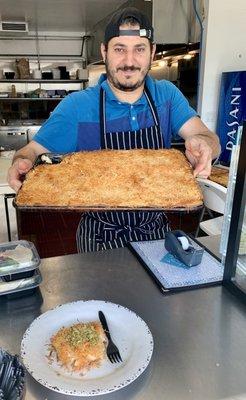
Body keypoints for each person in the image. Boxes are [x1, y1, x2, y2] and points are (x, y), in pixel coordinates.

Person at [8, 7, 221, 252]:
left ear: (152, 52)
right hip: (98, 238)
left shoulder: (167, 96)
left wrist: (204, 145)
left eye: (139, 49)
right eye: (119, 49)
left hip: (157, 235)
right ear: (104, 51)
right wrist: (22, 160)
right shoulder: (78, 106)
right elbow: (32, 150)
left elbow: (208, 137)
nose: (129, 62)